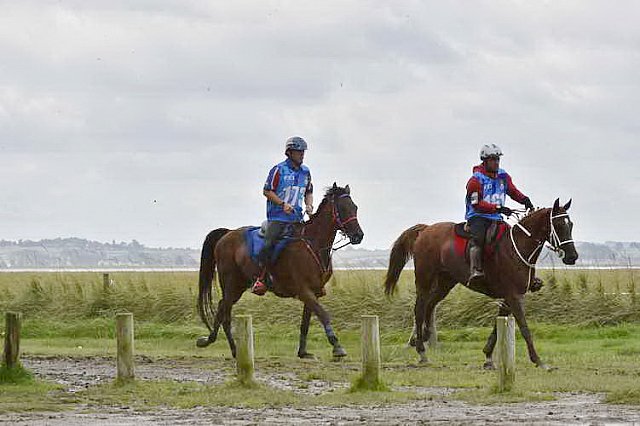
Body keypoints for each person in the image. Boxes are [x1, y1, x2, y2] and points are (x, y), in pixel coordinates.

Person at [251, 136, 314, 295]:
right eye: (299, 152)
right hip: (277, 217)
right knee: (268, 245)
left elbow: (309, 192)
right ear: (289, 152)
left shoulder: (306, 172)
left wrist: (309, 205)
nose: (302, 155)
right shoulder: (278, 170)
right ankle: (261, 279)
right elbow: (266, 191)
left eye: (303, 152)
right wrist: (282, 204)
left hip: (297, 218)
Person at [465, 143, 534, 284]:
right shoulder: (475, 180)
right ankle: (475, 270)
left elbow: (513, 192)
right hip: (478, 216)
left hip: (496, 217)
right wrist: (498, 208)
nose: (496, 162)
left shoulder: (503, 176)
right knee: (478, 238)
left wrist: (525, 200)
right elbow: (476, 204)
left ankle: (527, 276)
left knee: (513, 239)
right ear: (485, 161)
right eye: (492, 159)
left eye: (497, 159)